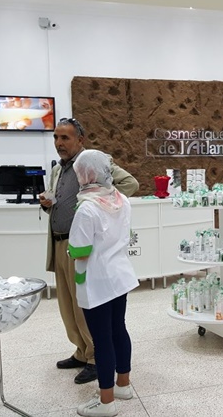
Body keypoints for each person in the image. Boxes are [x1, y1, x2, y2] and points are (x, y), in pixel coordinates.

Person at [40, 117, 138, 385]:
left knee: (85, 305)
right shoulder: (58, 169)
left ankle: (96, 357)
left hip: (85, 249)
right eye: (56, 138)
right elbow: (60, 200)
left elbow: (130, 184)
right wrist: (48, 203)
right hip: (60, 243)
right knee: (68, 305)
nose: (59, 143)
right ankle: (82, 350)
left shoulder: (94, 164)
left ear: (80, 140)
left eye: (65, 138)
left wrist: (100, 204)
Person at [68, 150, 138, 417]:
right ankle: (123, 385)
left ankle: (106, 401)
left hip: (97, 281)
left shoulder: (87, 208)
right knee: (118, 329)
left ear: (86, 174)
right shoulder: (121, 200)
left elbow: (80, 251)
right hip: (119, 276)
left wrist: (70, 250)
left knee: (101, 339)